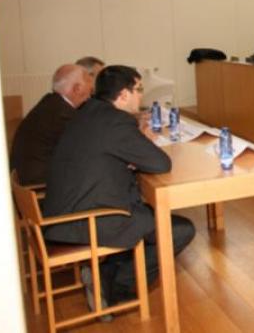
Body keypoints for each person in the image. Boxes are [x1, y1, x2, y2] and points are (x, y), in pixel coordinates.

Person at [43, 65, 195, 310]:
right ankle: (114, 289)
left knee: (147, 217)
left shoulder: (88, 112)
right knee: (179, 229)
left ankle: (103, 274)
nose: (141, 95)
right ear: (123, 95)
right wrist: (139, 144)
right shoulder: (115, 122)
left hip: (61, 213)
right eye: (139, 89)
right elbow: (160, 163)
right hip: (86, 220)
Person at [10, 64, 92, 186]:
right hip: (39, 185)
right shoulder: (62, 115)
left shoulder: (50, 103)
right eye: (89, 91)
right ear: (77, 88)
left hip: (27, 177)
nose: (89, 97)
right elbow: (84, 150)